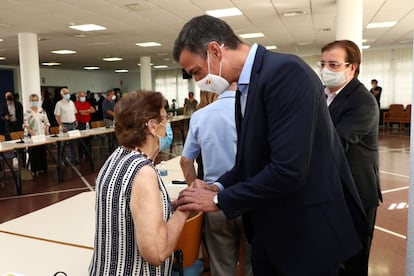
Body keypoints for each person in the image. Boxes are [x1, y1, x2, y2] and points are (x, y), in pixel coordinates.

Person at [173, 15, 368, 276]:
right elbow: (249, 162)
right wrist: (216, 185)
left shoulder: (285, 73)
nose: (199, 81)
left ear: (215, 51)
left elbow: (288, 170)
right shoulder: (247, 85)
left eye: (197, 71)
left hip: (303, 237)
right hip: (272, 232)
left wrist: (219, 199)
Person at [89, 91, 190, 275]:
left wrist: (169, 206)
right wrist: (185, 210)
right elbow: (157, 252)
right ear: (152, 126)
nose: (167, 124)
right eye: (164, 118)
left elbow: (128, 211)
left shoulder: (115, 158)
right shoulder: (143, 173)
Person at [320, 40, 383, 276]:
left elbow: (333, 143)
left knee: (353, 259)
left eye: (334, 65)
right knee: (332, 256)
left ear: (352, 68)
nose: (326, 70)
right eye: (324, 64)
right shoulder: (325, 95)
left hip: (355, 193)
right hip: (332, 190)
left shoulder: (362, 101)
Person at [180, 82, 252, 276]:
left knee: (221, 267)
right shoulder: (254, 111)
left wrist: (196, 192)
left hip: (214, 201)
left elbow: (186, 161)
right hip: (251, 199)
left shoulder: (200, 115)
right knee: (254, 265)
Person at [23, 94, 50, 175]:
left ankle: (43, 168)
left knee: (42, 152)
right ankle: (35, 170)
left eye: (36, 100)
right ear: (30, 101)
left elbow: (47, 122)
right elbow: (25, 124)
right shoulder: (27, 112)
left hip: (42, 135)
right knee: (34, 153)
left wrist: (46, 129)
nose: (34, 102)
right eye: (33, 100)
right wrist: (31, 132)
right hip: (33, 136)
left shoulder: (42, 111)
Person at [54, 88, 78, 165]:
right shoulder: (59, 103)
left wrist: (76, 120)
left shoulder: (71, 102)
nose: (68, 94)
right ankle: (62, 160)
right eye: (66, 93)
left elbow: (74, 113)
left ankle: (73, 159)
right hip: (64, 125)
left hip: (72, 124)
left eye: (68, 92)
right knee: (62, 145)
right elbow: (57, 116)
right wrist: (62, 125)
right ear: (62, 95)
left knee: (72, 144)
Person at [75, 91, 96, 159]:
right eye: (82, 96)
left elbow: (93, 110)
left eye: (84, 96)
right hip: (80, 124)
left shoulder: (87, 103)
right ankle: (81, 156)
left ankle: (88, 155)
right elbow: (81, 113)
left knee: (88, 140)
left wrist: (87, 111)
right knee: (81, 142)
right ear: (78, 97)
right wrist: (88, 111)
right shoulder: (76, 103)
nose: (83, 97)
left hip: (88, 124)